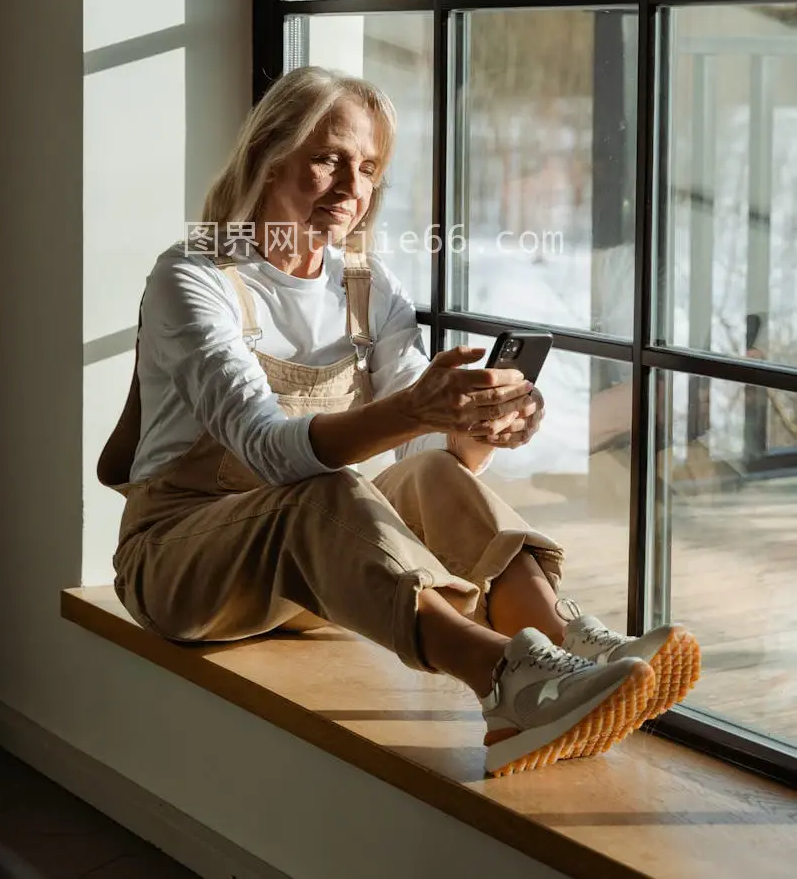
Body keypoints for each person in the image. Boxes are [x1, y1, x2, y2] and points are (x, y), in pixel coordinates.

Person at [98, 66, 701, 777]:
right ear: (267, 153)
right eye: (328, 158)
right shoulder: (195, 275)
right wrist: (414, 406)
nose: (351, 186)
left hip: (306, 576)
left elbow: (419, 448)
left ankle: (563, 641)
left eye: (368, 167)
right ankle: (505, 683)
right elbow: (265, 449)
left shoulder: (366, 284)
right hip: (179, 567)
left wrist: (478, 425)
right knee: (322, 489)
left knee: (432, 470)